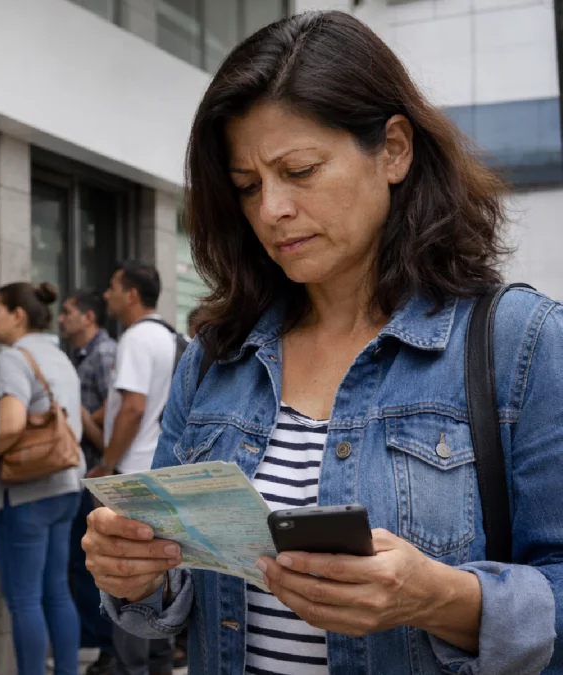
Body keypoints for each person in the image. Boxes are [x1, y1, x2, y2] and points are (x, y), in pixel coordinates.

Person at [83, 10, 563, 675]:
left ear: (393, 150)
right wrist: (134, 572)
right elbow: (177, 595)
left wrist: (443, 597)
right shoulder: (218, 358)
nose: (271, 210)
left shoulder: (519, 343)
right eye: (248, 186)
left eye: (300, 170)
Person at [0, 281, 86, 675]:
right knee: (57, 592)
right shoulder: (60, 356)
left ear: (18, 315)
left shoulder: (14, 357)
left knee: (24, 599)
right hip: (65, 486)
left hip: (28, 492)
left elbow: (10, 426)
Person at [90, 261, 177, 675]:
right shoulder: (172, 337)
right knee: (160, 579)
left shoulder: (137, 338)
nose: (106, 295)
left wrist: (107, 464)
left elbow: (134, 406)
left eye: (111, 287)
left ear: (131, 295)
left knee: (129, 584)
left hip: (134, 476)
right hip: (163, 471)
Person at [57, 290, 118, 675]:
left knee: (97, 565)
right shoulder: (76, 357)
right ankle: (94, 643)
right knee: (81, 564)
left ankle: (108, 647)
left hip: (100, 473)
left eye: (67, 312)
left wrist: (81, 419)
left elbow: (116, 409)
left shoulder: (106, 354)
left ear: (88, 317)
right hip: (83, 472)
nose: (60, 319)